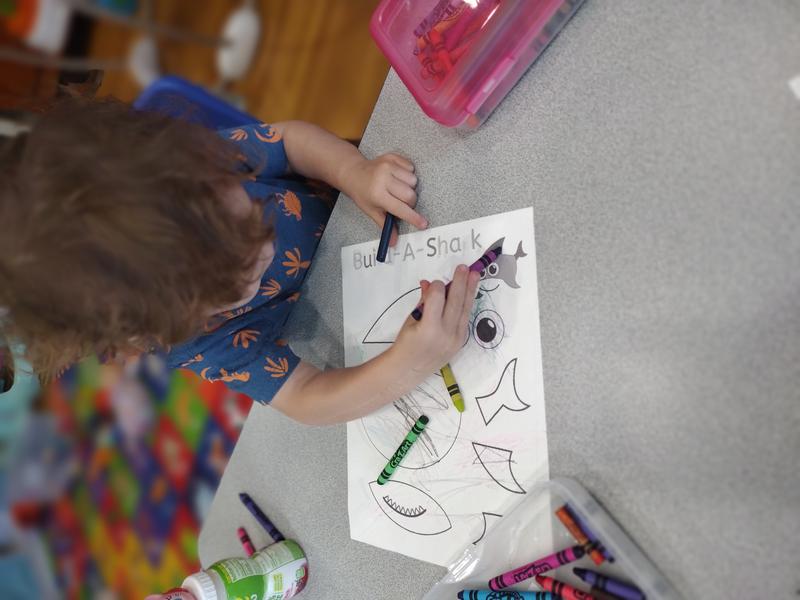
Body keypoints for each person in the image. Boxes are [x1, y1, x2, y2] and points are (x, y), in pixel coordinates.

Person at [0, 97, 480, 425]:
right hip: (350, 310)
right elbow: (305, 397)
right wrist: (407, 364)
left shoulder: (185, 170)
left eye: (245, 215)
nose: (262, 248)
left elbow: (287, 141)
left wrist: (354, 172)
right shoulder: (189, 340)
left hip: (362, 213)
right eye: (232, 280)